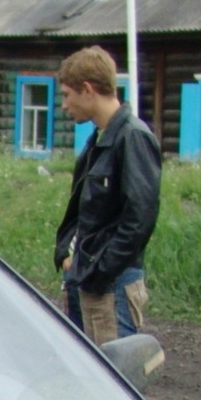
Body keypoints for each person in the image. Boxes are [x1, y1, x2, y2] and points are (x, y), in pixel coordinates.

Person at [52, 46, 160, 345]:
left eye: (66, 94)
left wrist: (99, 271)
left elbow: (139, 219)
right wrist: (64, 252)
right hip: (85, 281)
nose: (64, 105)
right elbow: (83, 210)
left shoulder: (132, 138)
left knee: (115, 378)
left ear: (87, 90)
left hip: (110, 287)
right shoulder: (98, 139)